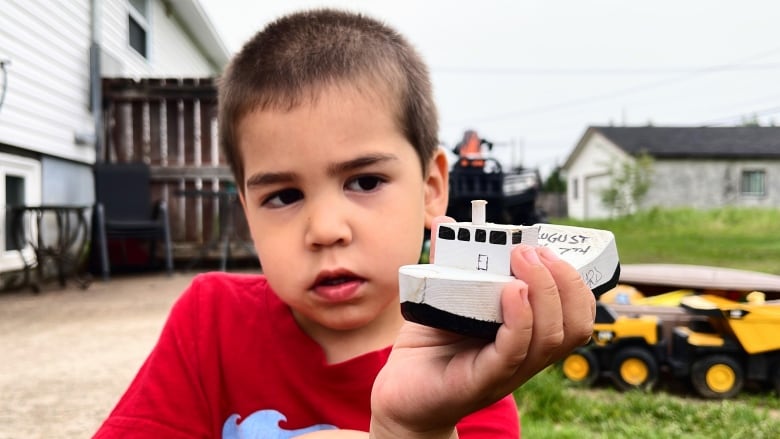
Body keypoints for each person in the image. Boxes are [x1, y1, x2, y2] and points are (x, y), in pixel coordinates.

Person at [93, 8, 595, 439]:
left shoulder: (467, 365)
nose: (326, 229)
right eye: (284, 195)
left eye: (365, 182)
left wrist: (416, 430)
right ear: (247, 213)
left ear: (431, 190)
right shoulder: (210, 322)